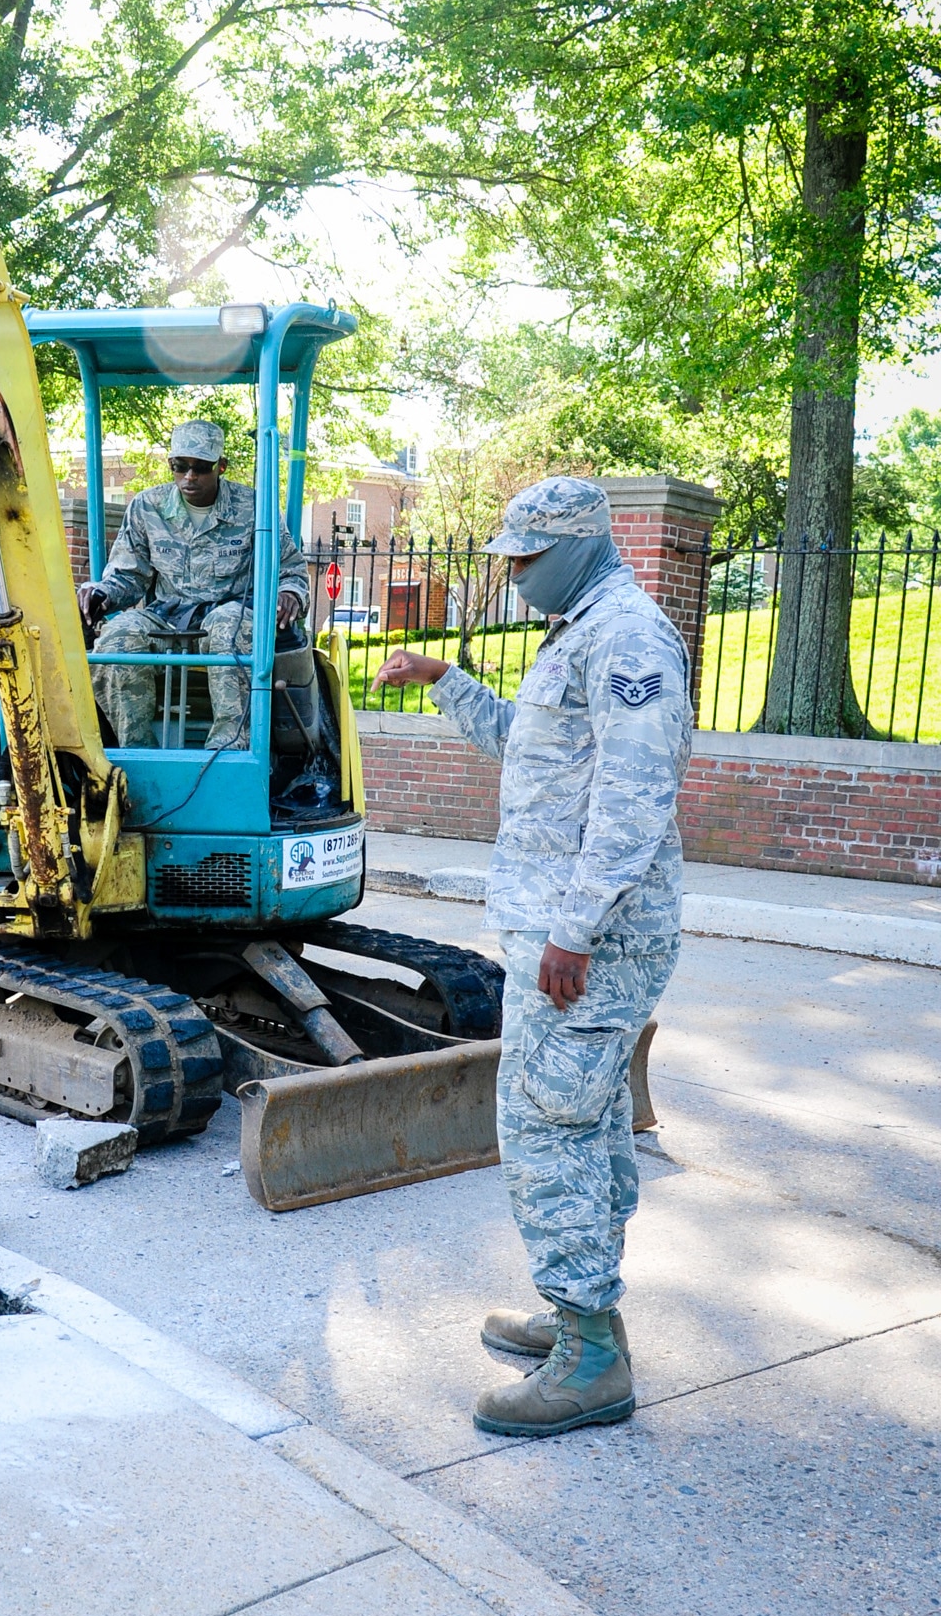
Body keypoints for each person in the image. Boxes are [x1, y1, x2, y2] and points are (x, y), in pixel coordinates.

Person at [373, 476, 692, 1438]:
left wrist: (575, 928)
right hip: (563, 928)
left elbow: (636, 796)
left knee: (549, 1122)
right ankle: (577, 1313)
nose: (513, 577)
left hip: (587, 939)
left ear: (578, 545)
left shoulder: (626, 635)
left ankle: (592, 1356)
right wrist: (449, 683)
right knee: (582, 1117)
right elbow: (534, 749)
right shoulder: (580, 629)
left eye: (525, 560)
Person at [77, 418, 308, 748]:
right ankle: (136, 754)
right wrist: (101, 593)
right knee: (117, 637)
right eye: (179, 466)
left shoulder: (254, 508)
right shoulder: (147, 507)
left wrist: (289, 594)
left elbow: (291, 571)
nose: (189, 476)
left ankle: (228, 752)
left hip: (225, 614)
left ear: (221, 466)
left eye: (200, 467)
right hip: (166, 618)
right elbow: (129, 576)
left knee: (233, 626)